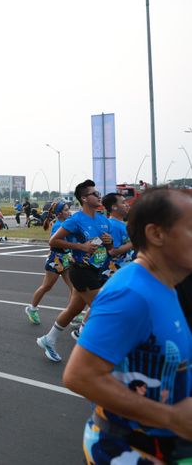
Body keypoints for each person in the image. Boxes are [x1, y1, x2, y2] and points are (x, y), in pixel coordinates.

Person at [63, 188, 192, 463]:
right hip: (126, 452)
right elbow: (80, 376)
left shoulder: (166, 285)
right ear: (156, 234)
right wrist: (170, 417)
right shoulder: (130, 293)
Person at [36, 180, 113, 362]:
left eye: (98, 193)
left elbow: (108, 248)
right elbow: (53, 241)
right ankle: (90, 346)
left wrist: (109, 242)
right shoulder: (76, 220)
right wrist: (81, 246)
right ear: (84, 198)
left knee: (74, 310)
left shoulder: (103, 220)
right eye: (95, 194)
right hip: (81, 271)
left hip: (97, 270)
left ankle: (48, 339)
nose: (99, 196)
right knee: (103, 308)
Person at [25, 201, 74, 325]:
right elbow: (54, 243)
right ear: (59, 214)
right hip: (56, 259)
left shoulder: (67, 223)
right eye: (66, 210)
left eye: (68, 209)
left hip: (65, 259)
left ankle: (72, 313)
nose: (69, 212)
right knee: (47, 286)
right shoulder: (58, 226)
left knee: (74, 287)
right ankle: (32, 308)